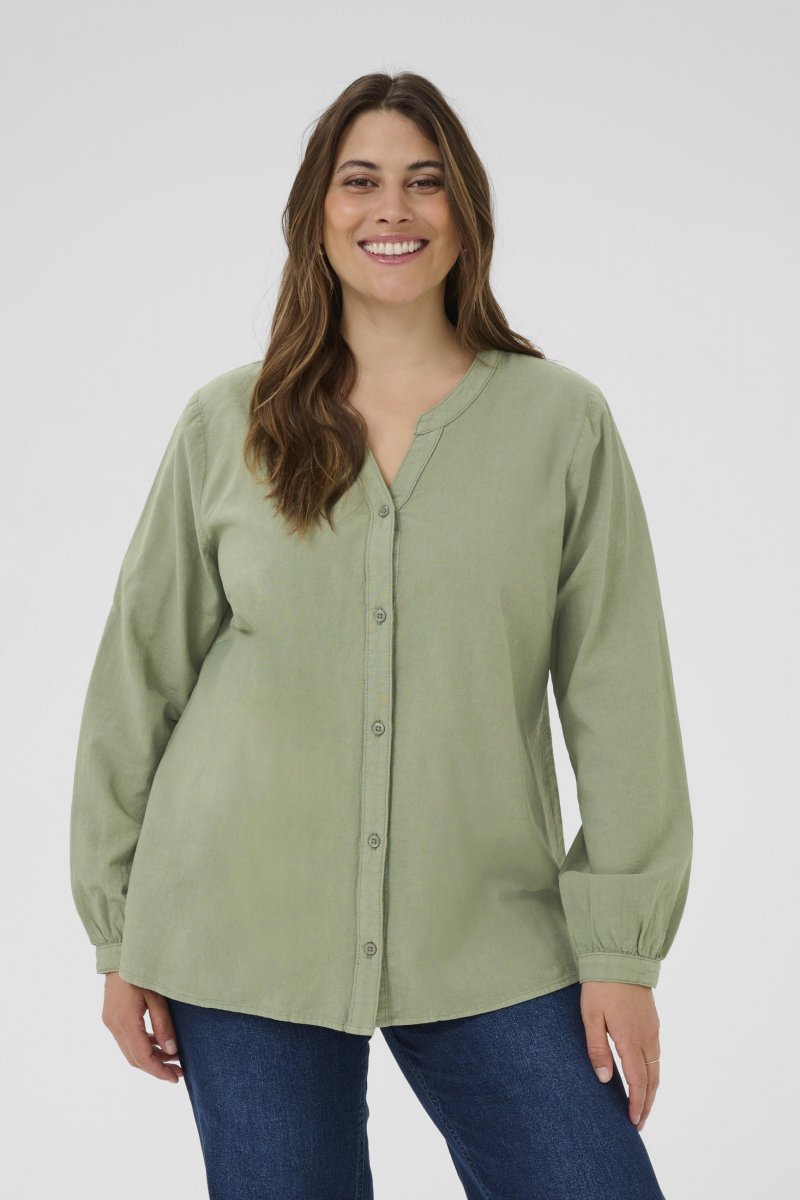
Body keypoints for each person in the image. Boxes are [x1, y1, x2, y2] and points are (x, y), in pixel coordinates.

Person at [69, 71, 693, 1199]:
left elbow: (619, 693)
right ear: (317, 213)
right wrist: (121, 933)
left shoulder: (559, 423)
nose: (392, 209)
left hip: (491, 931)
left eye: (425, 181)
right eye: (360, 181)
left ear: (466, 212)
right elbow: (138, 679)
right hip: (235, 931)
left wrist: (621, 951)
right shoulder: (229, 422)